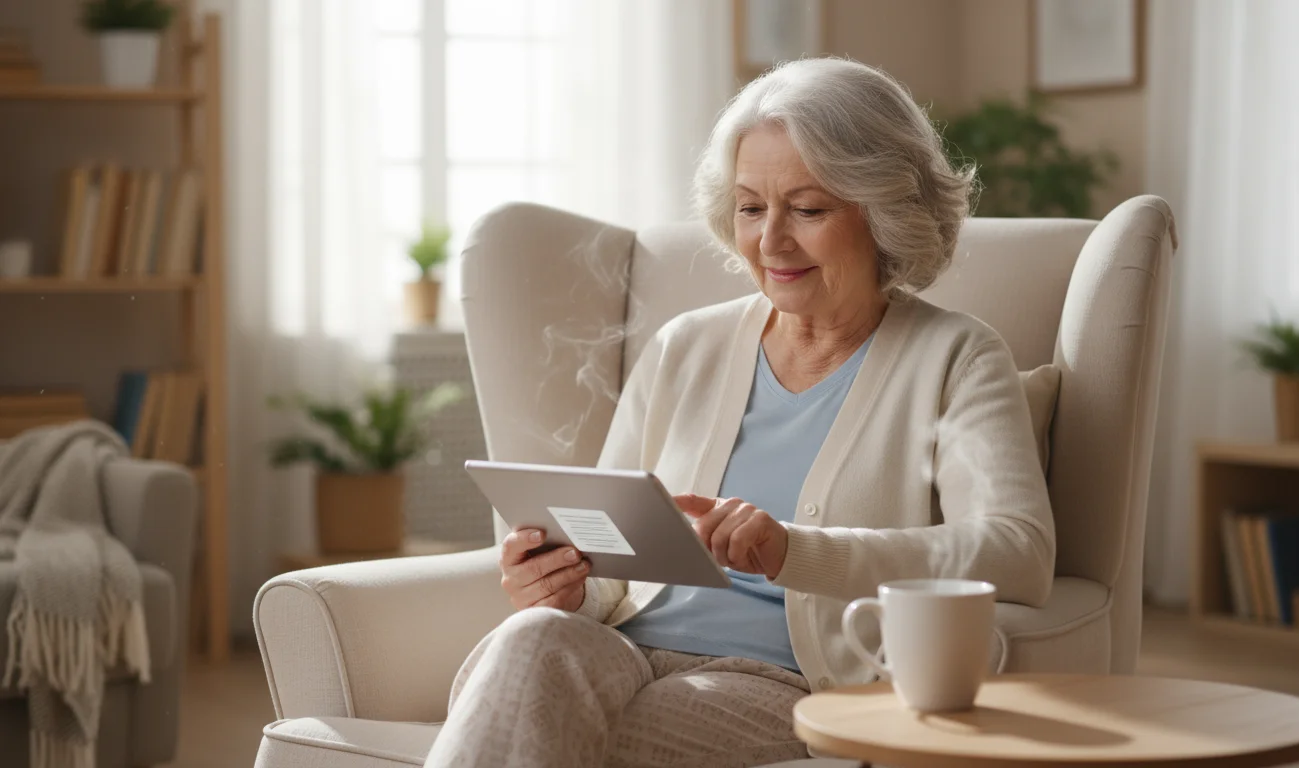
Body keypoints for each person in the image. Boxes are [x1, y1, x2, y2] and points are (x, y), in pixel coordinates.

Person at [425, 57, 1056, 768]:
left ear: (885, 213)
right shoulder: (685, 346)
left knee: (567, 733)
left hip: (780, 683)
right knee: (530, 638)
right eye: (751, 207)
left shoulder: (956, 357)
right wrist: (563, 580)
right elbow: (610, 565)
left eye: (808, 209)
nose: (770, 240)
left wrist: (795, 551)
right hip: (620, 650)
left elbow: (1018, 551)